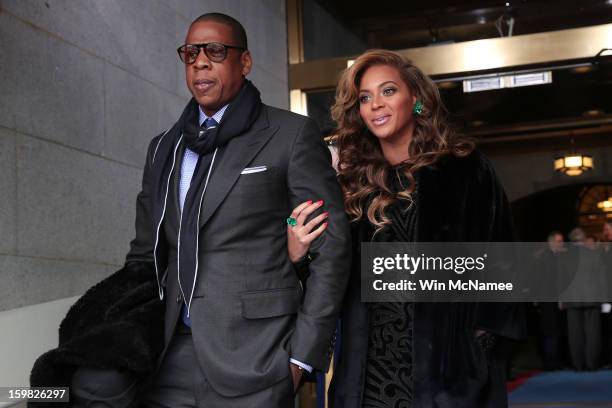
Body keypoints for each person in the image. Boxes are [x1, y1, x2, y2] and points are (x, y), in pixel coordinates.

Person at [67, 12, 350, 408]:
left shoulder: (291, 135)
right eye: (190, 53)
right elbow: (144, 255)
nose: (200, 61)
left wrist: (302, 356)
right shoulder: (164, 147)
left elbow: (331, 251)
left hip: (259, 360)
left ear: (245, 62)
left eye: (215, 51)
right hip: (168, 358)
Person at [287, 49, 524, 407]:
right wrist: (297, 254)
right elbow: (332, 277)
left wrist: (476, 351)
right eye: (365, 98)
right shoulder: (353, 184)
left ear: (415, 98)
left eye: (388, 91)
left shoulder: (465, 169)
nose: (376, 105)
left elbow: (504, 266)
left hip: (448, 378)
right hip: (368, 375)